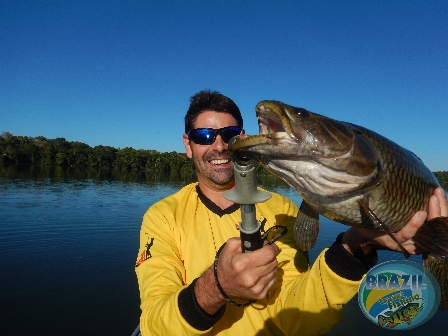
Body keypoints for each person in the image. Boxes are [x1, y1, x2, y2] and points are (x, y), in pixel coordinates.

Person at [135, 90, 448, 336]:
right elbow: (153, 327)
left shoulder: (282, 210)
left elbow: (299, 320)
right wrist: (216, 288)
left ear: (241, 139)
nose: (218, 145)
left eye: (228, 134)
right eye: (204, 137)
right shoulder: (162, 217)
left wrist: (357, 246)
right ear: (188, 145)